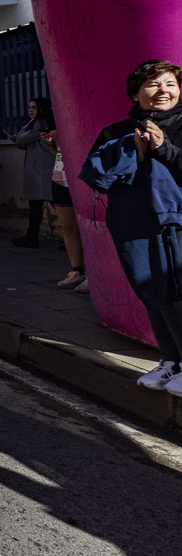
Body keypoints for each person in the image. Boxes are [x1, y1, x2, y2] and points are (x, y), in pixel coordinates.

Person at [80, 59, 182, 394]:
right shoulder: (116, 131)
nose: (162, 91)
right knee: (151, 290)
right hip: (134, 224)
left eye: (169, 83)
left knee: (178, 291)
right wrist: (132, 154)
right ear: (136, 93)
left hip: (176, 222)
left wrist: (163, 147)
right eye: (152, 85)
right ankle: (170, 361)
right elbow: (98, 179)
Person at [11, 96, 56, 248]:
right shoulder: (37, 124)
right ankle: (32, 236)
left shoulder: (39, 124)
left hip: (42, 169)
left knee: (50, 202)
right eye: (29, 107)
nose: (30, 110)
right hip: (39, 169)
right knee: (38, 204)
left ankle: (33, 236)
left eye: (34, 107)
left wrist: (18, 138)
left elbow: (22, 140)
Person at [47, 130, 88, 291]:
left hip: (80, 177)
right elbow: (55, 153)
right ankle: (76, 271)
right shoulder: (54, 123)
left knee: (85, 228)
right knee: (69, 228)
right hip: (59, 178)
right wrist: (51, 142)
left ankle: (93, 274)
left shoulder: (76, 122)